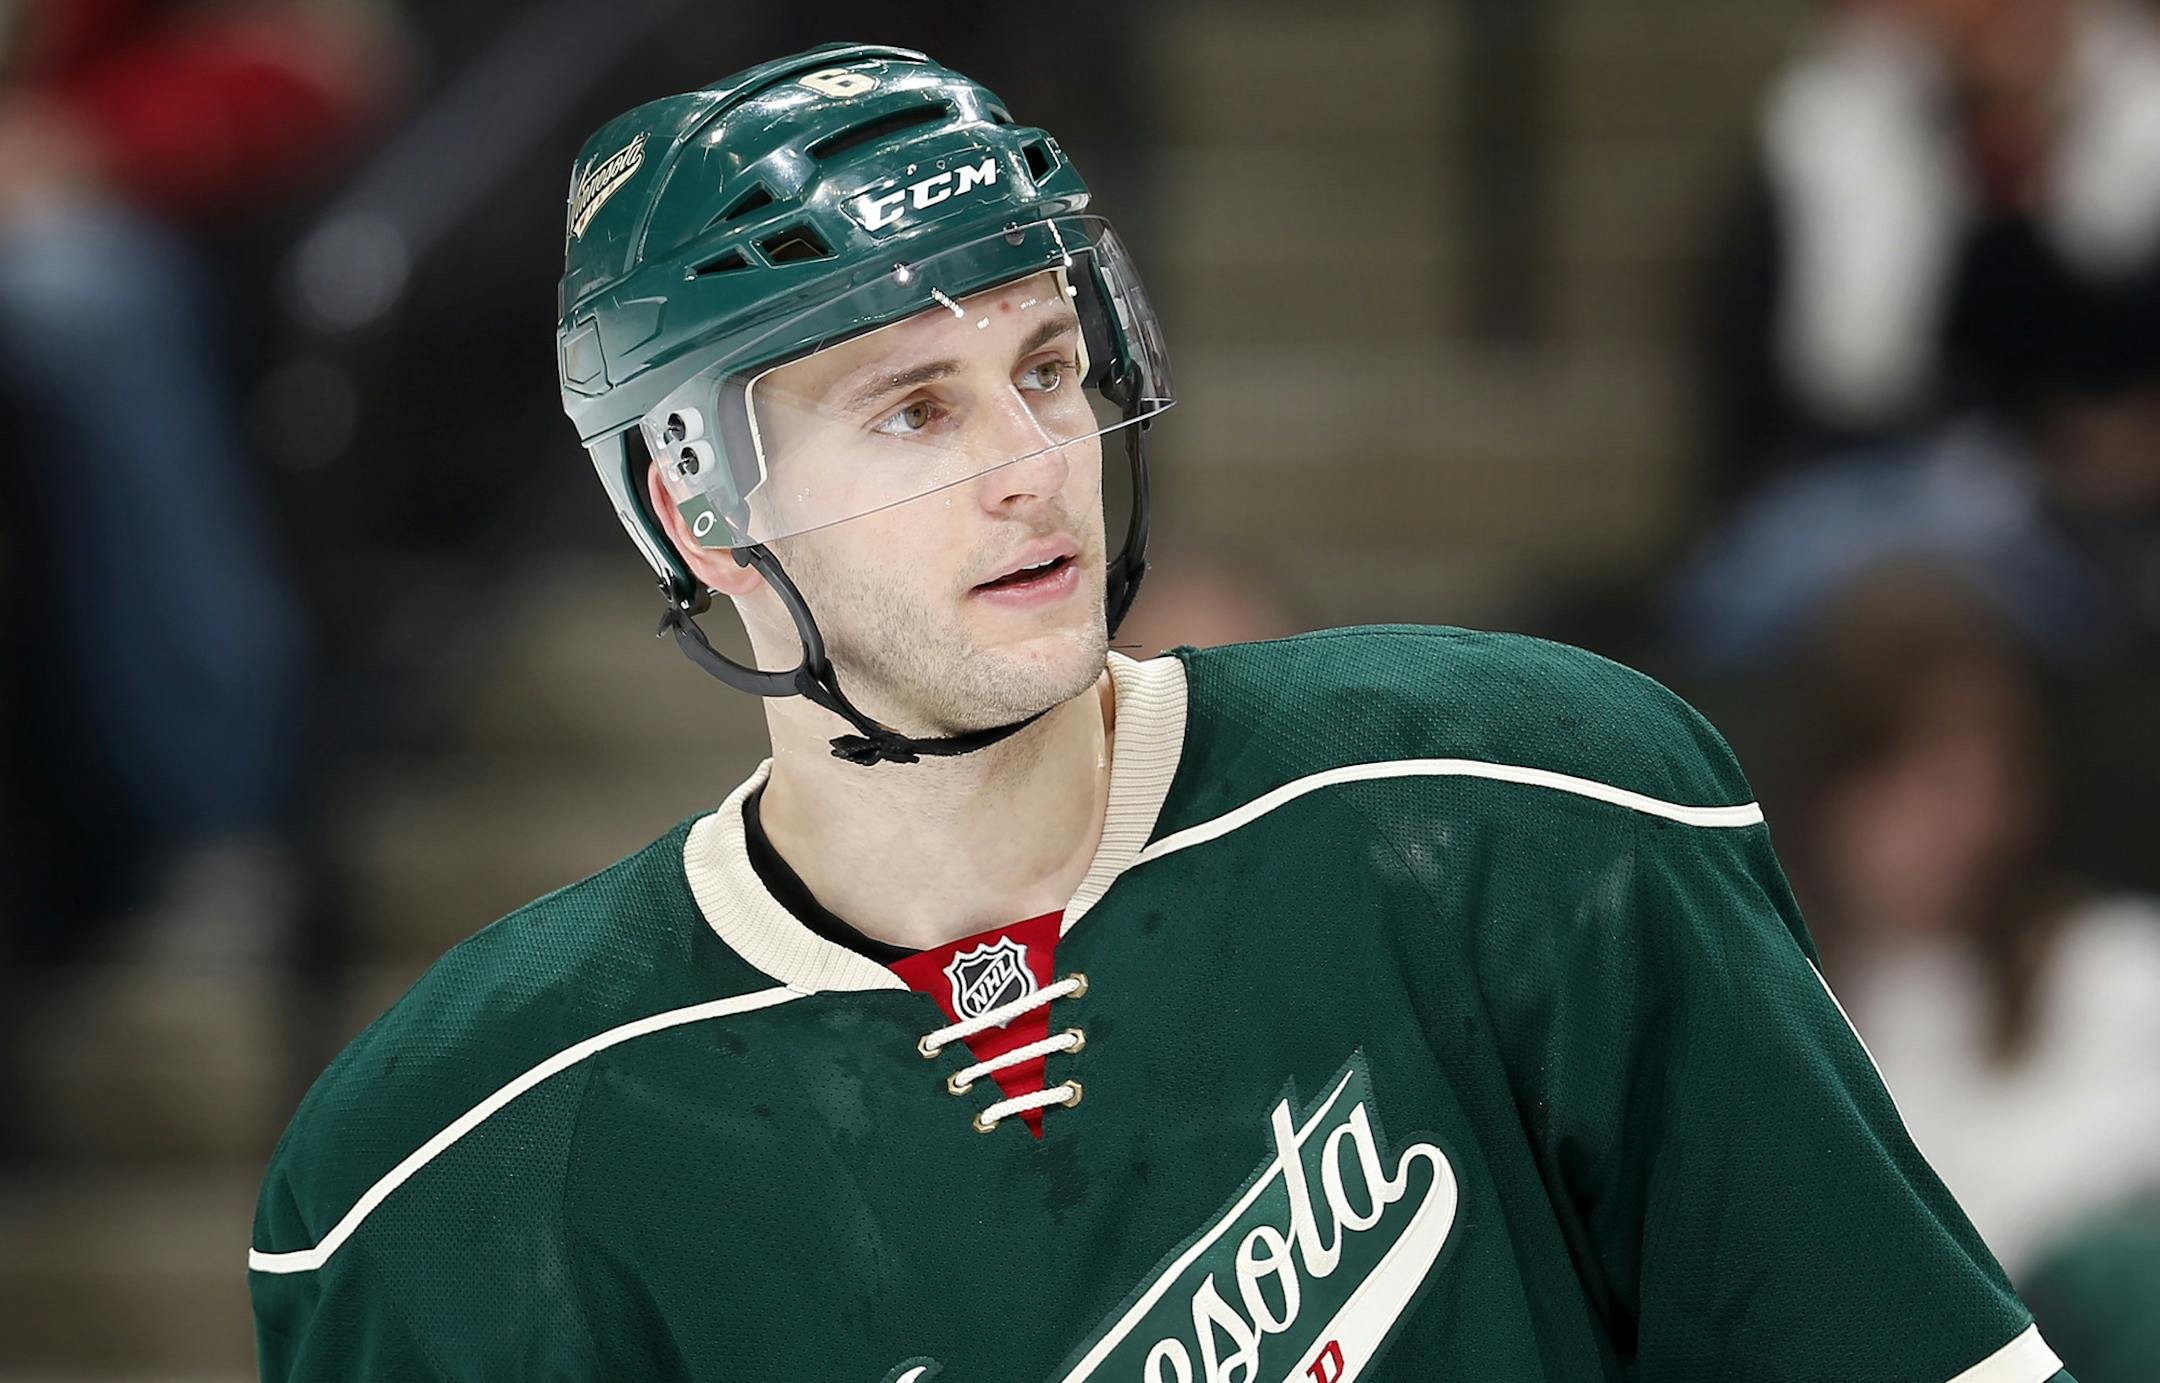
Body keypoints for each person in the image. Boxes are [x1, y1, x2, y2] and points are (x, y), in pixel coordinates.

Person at [246, 43, 2077, 1381]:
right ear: (689, 508)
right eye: (913, 410)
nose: (1035, 466)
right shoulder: (445, 1176)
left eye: (1046, 368)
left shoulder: (1527, 810)